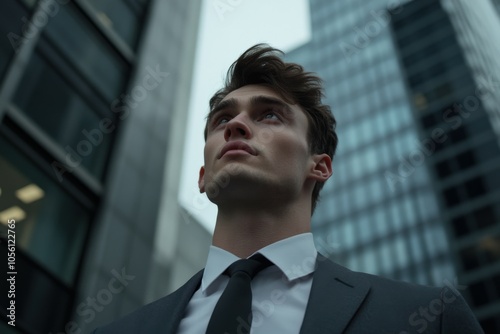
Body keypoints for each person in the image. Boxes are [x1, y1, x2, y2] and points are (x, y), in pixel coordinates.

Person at [92, 44, 484, 333]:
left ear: (320, 166)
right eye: (222, 119)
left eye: (270, 115)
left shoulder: (433, 318)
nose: (236, 125)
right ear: (202, 175)